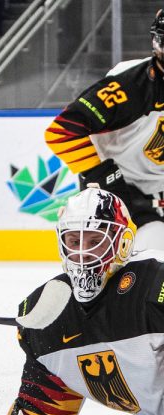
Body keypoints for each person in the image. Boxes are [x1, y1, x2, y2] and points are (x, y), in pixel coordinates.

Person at [0, 185, 164, 415]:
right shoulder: (45, 316)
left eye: (96, 241)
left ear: (123, 243)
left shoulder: (156, 280)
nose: (83, 253)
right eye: (74, 241)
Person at [45, 9, 164, 252]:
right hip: (118, 191)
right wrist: (103, 174)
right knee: (135, 264)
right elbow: (61, 131)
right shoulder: (129, 85)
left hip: (156, 191)